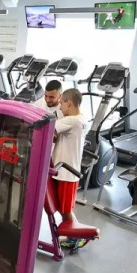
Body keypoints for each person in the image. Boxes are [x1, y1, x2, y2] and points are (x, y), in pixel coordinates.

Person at [52, 88, 87, 244]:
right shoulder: (81, 119)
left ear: (68, 103)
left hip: (66, 173)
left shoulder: (72, 120)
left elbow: (48, 127)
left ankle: (77, 237)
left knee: (65, 210)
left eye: (61, 103)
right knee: (63, 208)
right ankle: (75, 233)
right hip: (66, 171)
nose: (60, 107)